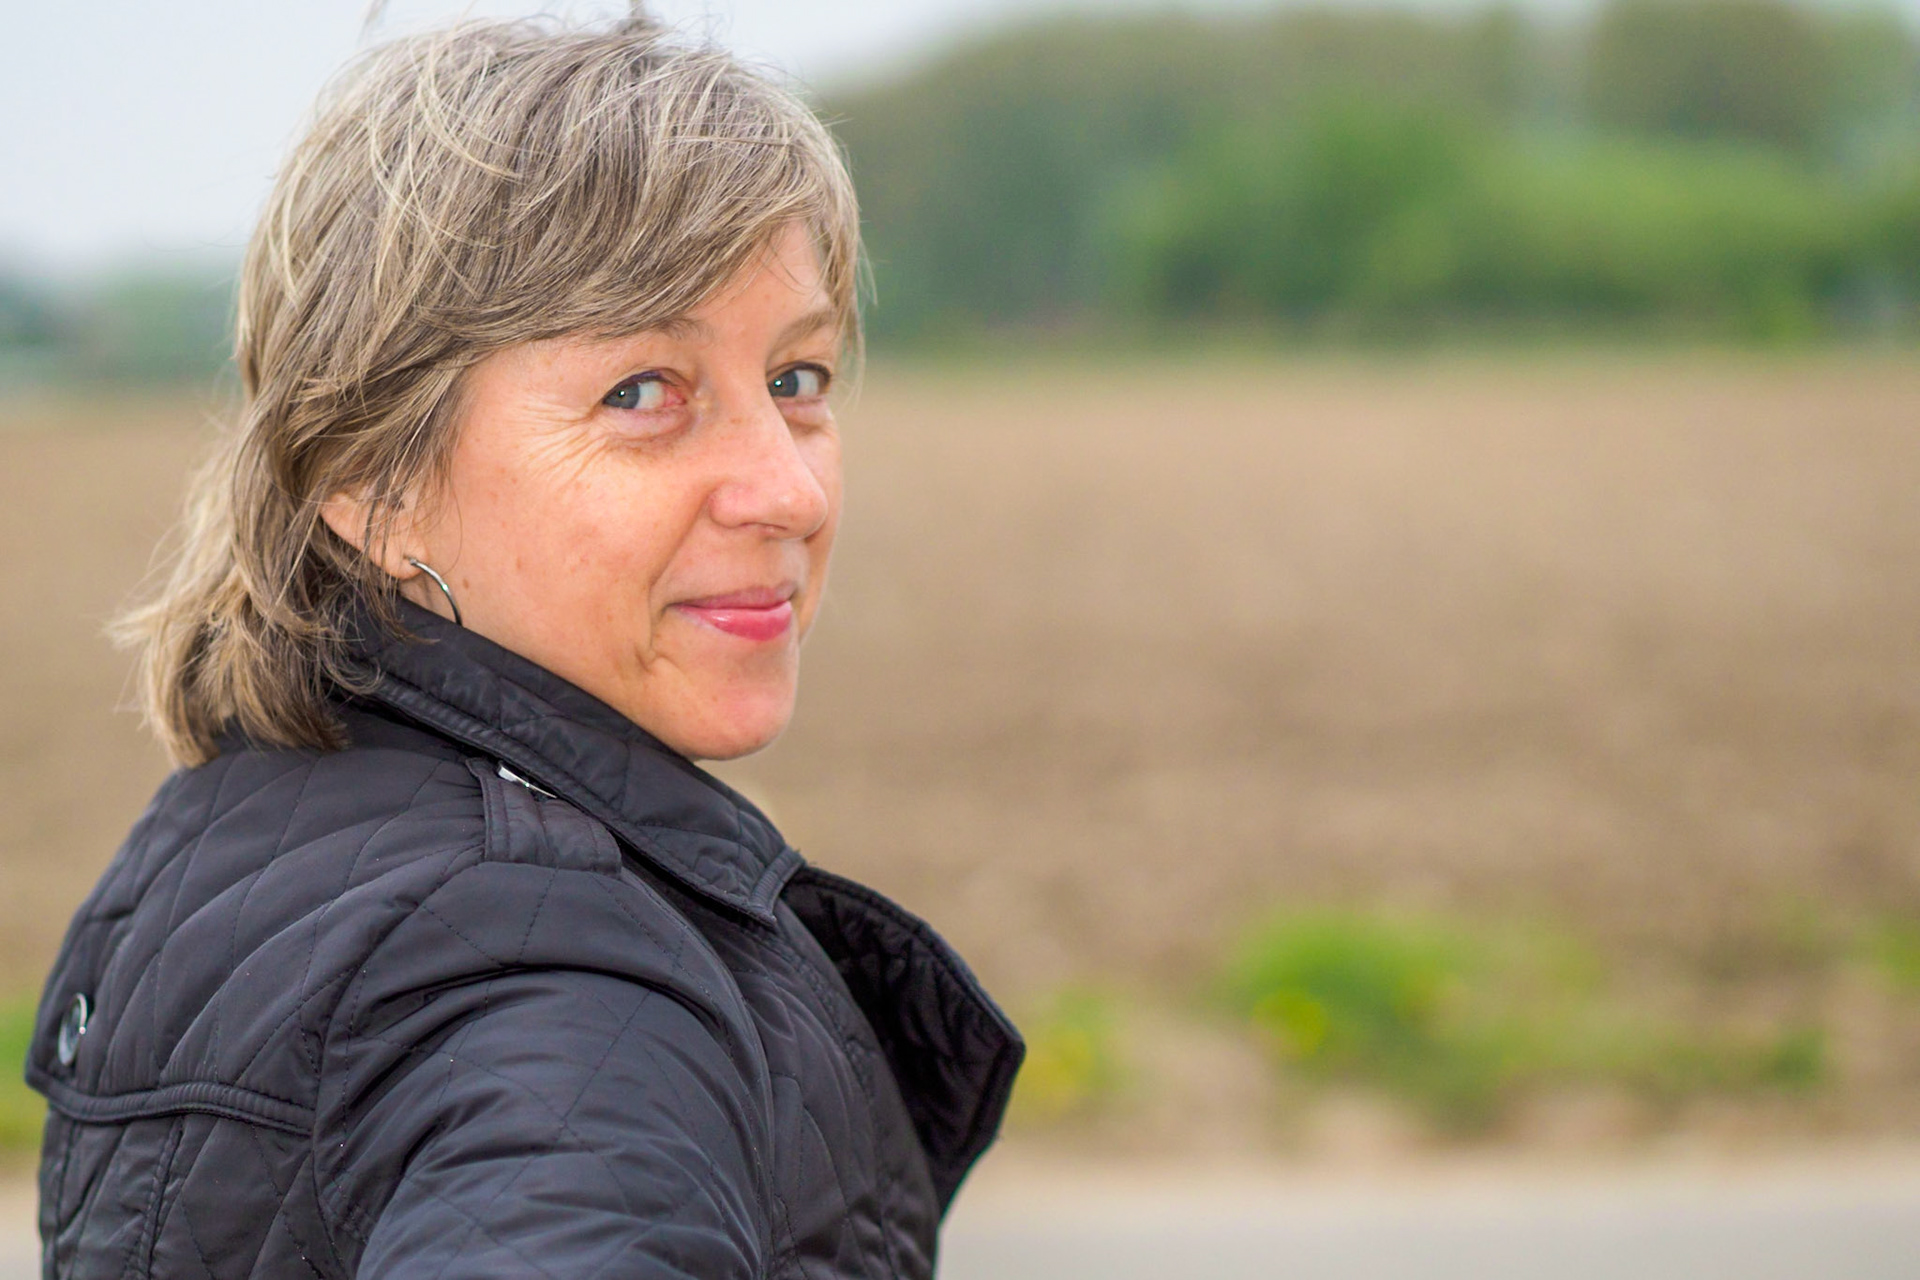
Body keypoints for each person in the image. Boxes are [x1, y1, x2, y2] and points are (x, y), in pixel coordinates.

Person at [25, 14, 1021, 1279]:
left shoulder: (226, 842)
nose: (789, 490)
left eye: (798, 376)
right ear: (373, 474)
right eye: (643, 392)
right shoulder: (565, 996)